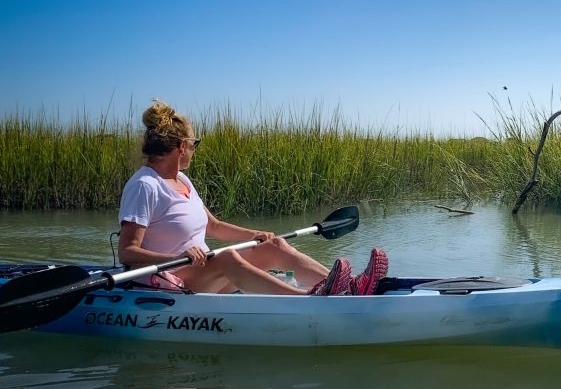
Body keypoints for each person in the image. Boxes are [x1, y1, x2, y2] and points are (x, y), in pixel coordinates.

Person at [117, 101, 389, 296]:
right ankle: (306, 302)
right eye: (194, 144)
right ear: (181, 147)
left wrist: (257, 233)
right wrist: (178, 255)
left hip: (201, 272)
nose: (194, 151)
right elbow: (127, 251)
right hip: (169, 279)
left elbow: (213, 226)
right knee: (227, 258)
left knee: (275, 246)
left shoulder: (183, 181)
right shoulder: (144, 185)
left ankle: (352, 288)